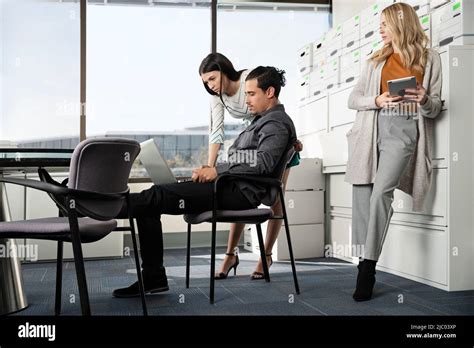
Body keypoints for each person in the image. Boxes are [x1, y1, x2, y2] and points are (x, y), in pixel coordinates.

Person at [113, 66, 297, 297]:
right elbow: (251, 157)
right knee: (153, 199)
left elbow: (264, 162)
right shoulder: (262, 121)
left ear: (269, 92)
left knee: (155, 196)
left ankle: (100, 207)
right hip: (231, 185)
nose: (247, 100)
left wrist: (217, 171)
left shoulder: (275, 123)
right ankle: (153, 277)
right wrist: (212, 170)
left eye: (251, 94)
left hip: (238, 192)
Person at [345, 2, 442, 302]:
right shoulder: (375, 60)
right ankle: (364, 259)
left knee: (380, 194)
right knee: (362, 197)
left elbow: (435, 106)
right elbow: (353, 98)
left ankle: (368, 267)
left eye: (386, 24)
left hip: (402, 131)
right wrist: (377, 99)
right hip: (371, 128)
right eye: (380, 24)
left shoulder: (429, 58)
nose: (381, 29)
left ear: (402, 25)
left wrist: (424, 97)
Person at [199, 53, 302, 280]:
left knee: (275, 198)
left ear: (225, 72)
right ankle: (230, 254)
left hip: (272, 141)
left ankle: (266, 255)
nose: (211, 85)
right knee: (240, 192)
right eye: (206, 82)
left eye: (213, 79)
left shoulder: (249, 79)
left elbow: (274, 110)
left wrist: (288, 141)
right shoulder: (217, 97)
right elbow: (216, 131)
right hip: (250, 142)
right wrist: (211, 167)